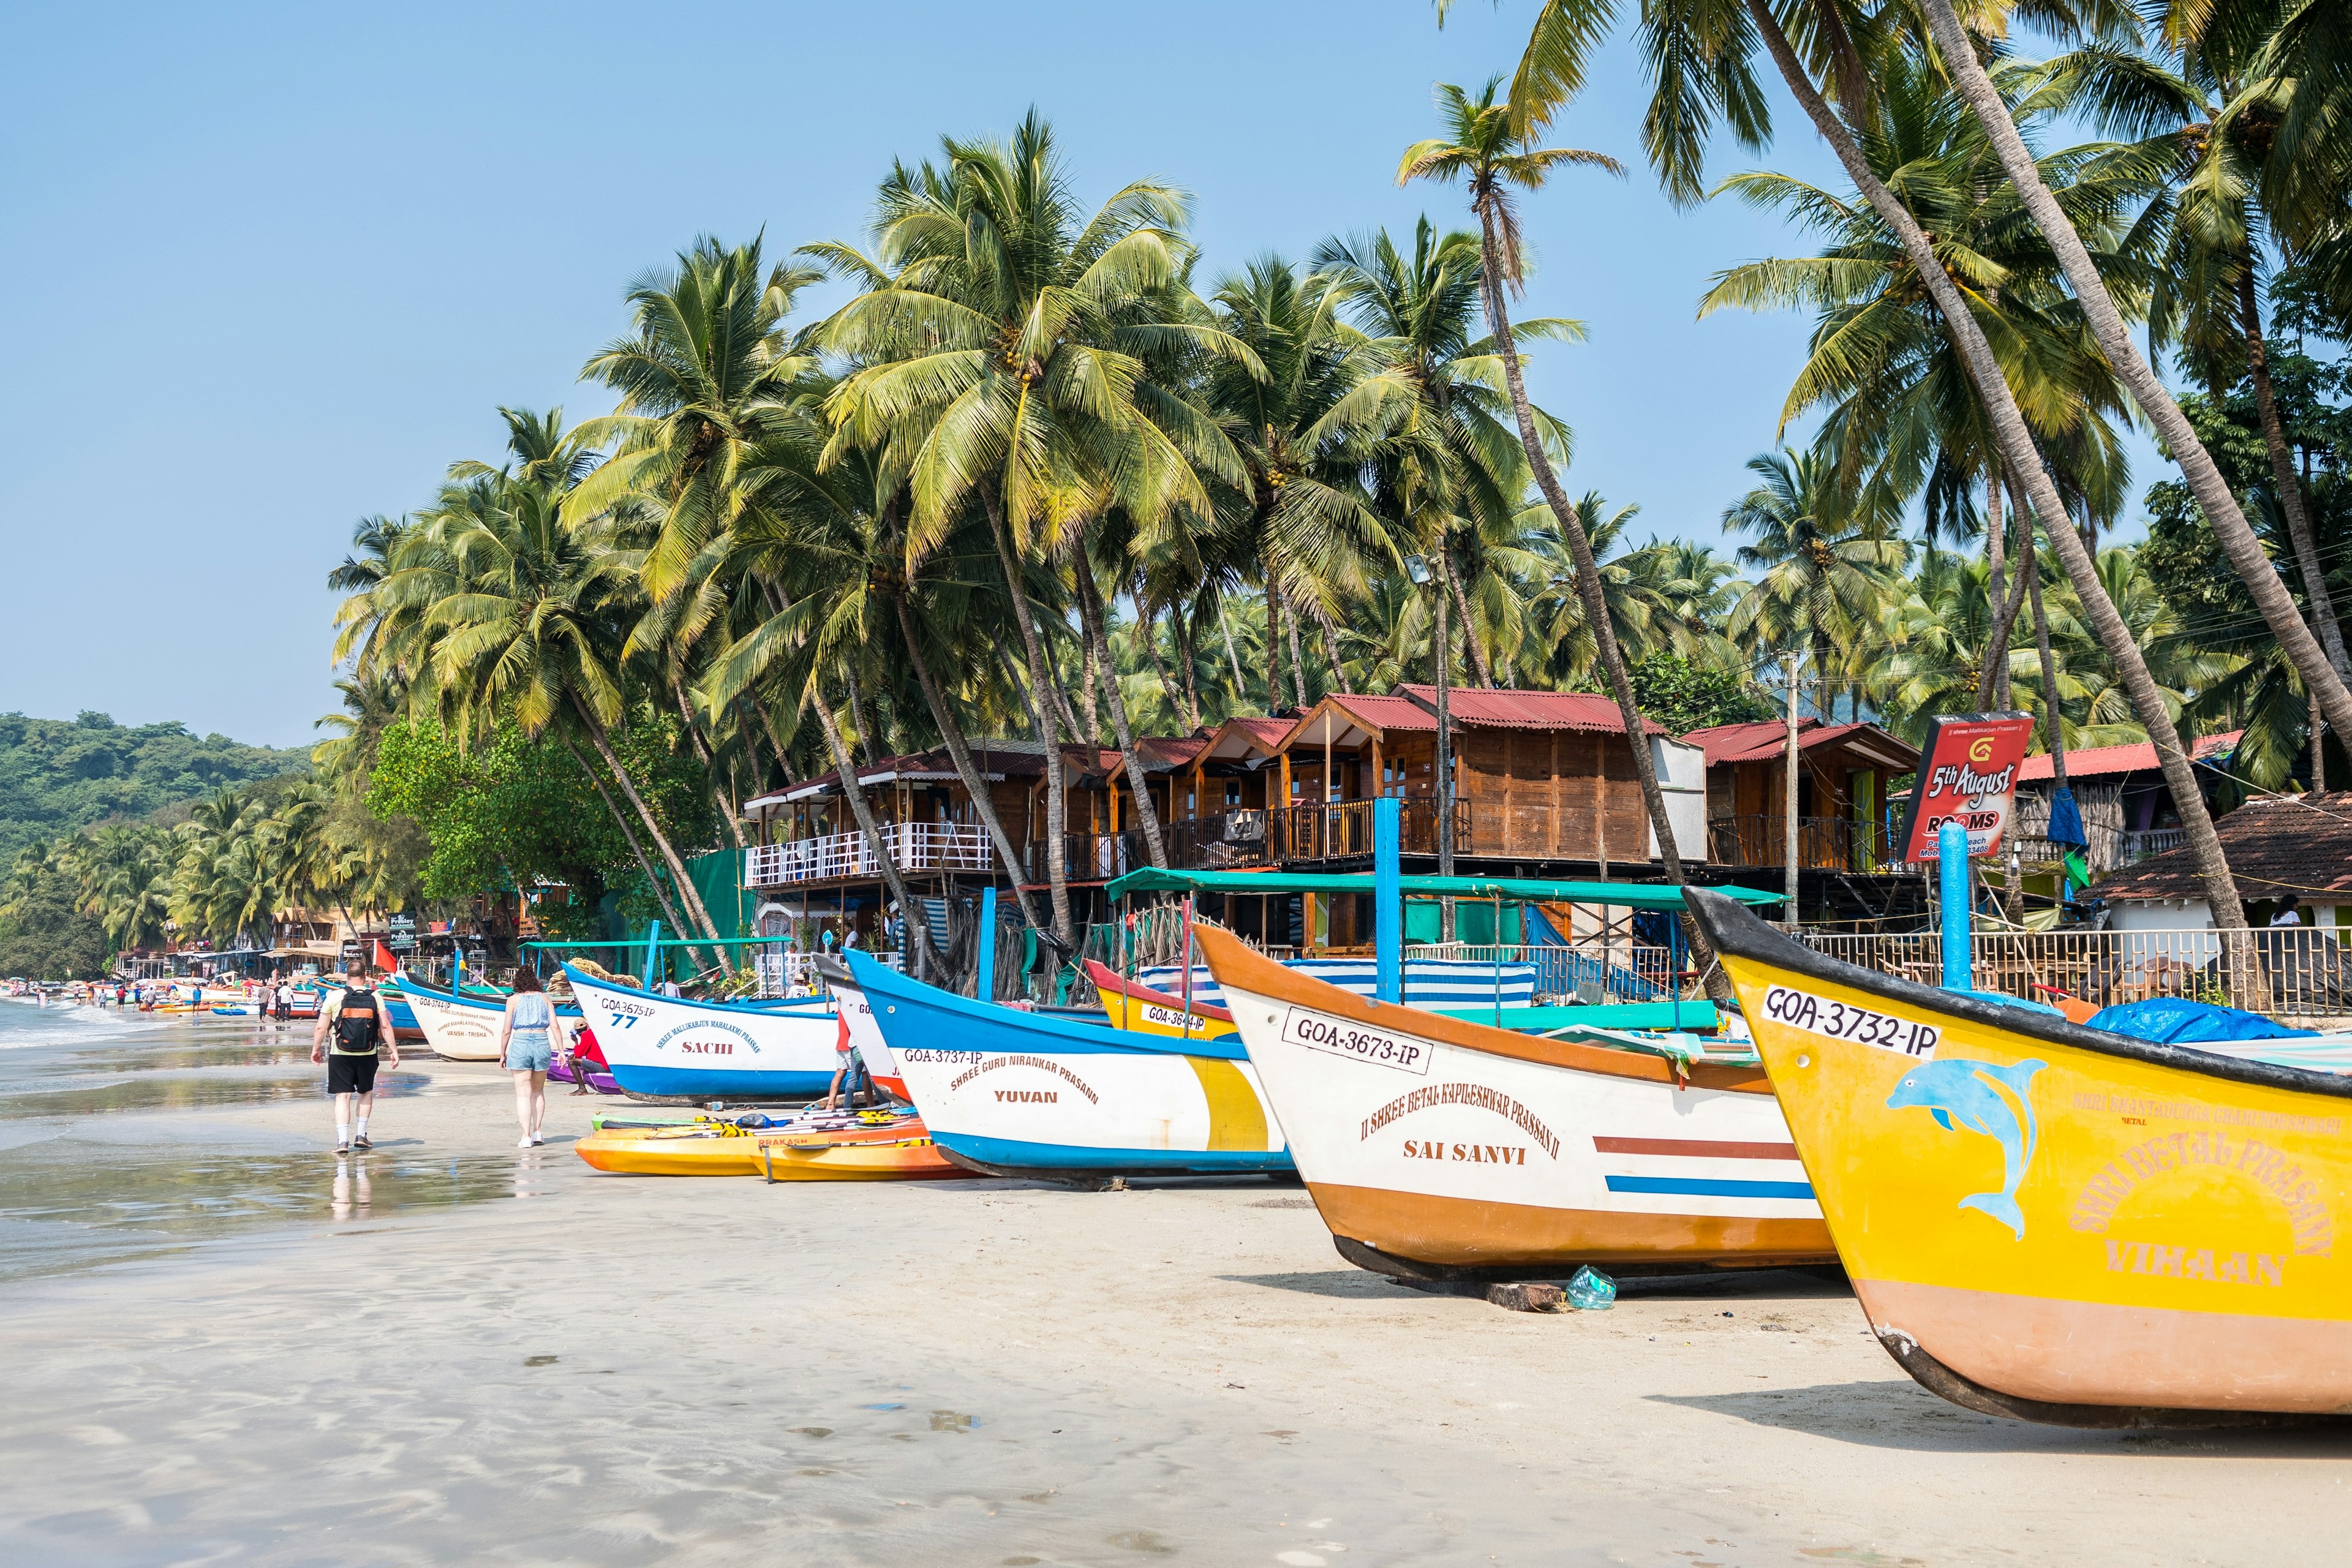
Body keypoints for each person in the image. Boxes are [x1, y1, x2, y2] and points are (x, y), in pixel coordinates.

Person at [312, 964, 398, 1153]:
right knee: (365, 1093)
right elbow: (384, 1027)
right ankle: (361, 1135)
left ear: (347, 976)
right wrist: (394, 1050)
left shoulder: (334, 996)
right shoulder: (375, 997)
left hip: (340, 1053)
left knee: (343, 1096)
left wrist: (316, 1050)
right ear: (365, 976)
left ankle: (343, 1141)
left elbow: (320, 1028)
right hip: (368, 1053)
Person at [499, 969, 564, 1147]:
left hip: (521, 1042)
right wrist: (562, 1051)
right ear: (535, 981)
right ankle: (538, 1132)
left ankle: (526, 1136)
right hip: (542, 1042)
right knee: (538, 1091)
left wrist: (503, 1054)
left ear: (518, 982)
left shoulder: (513, 1000)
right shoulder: (545, 998)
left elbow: (506, 1031)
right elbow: (555, 1026)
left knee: (523, 1094)